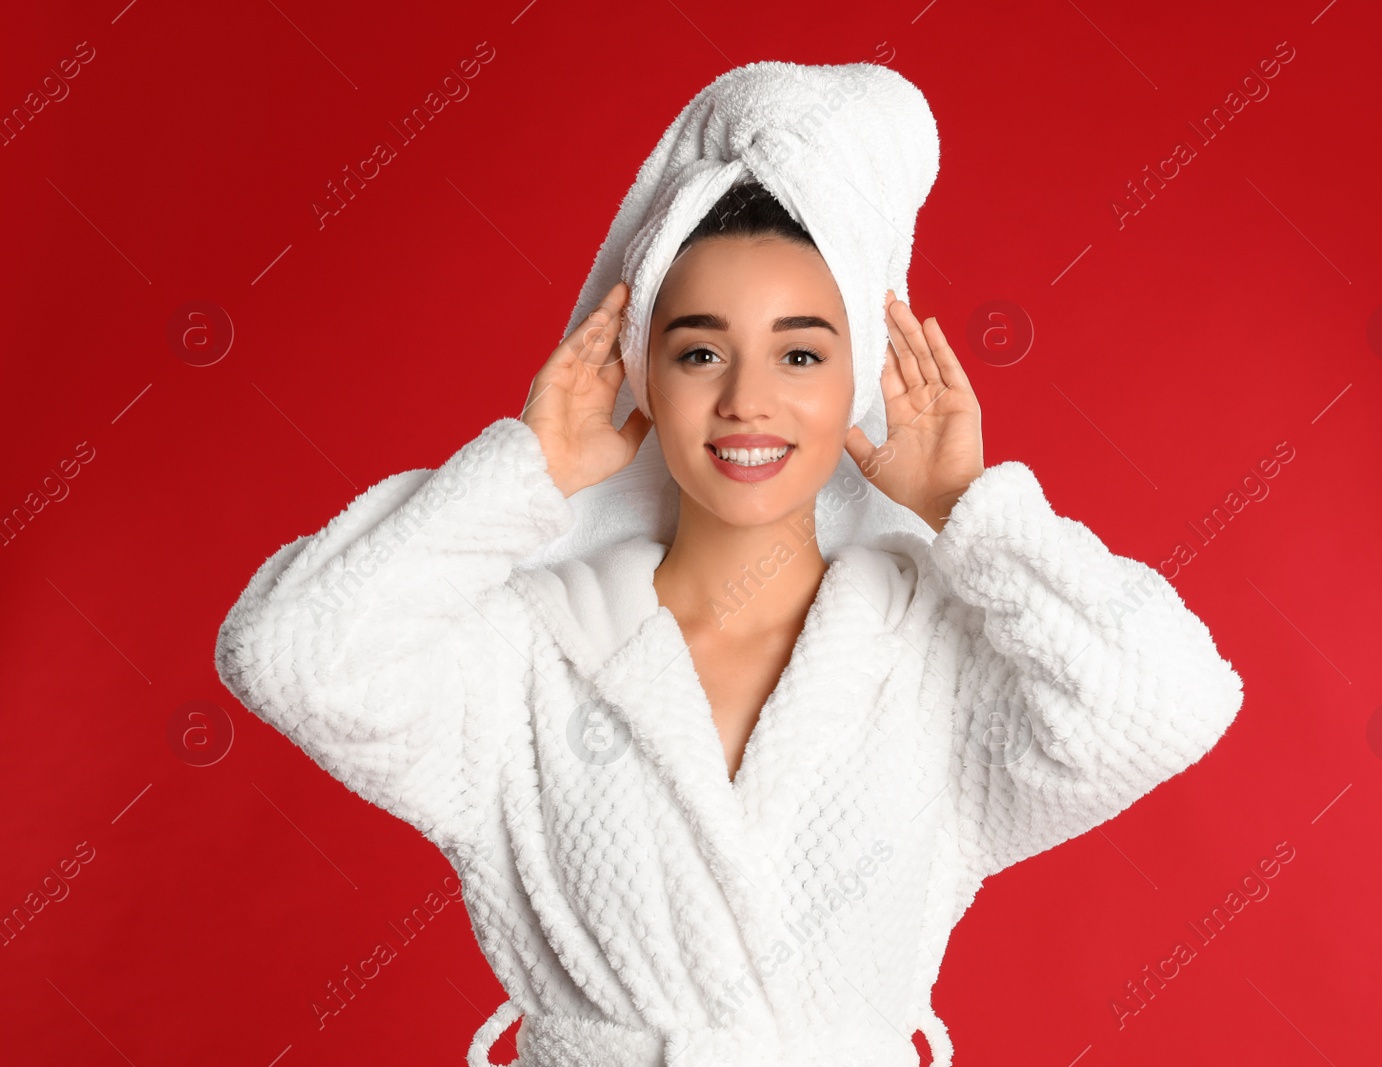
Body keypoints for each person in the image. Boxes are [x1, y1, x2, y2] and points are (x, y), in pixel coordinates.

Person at [215, 64, 1244, 1067]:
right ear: (642, 375)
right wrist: (520, 471)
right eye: (700, 351)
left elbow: (1168, 701)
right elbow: (290, 653)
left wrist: (973, 514)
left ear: (858, 383)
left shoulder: (928, 651)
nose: (747, 398)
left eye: (800, 353)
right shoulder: (528, 651)